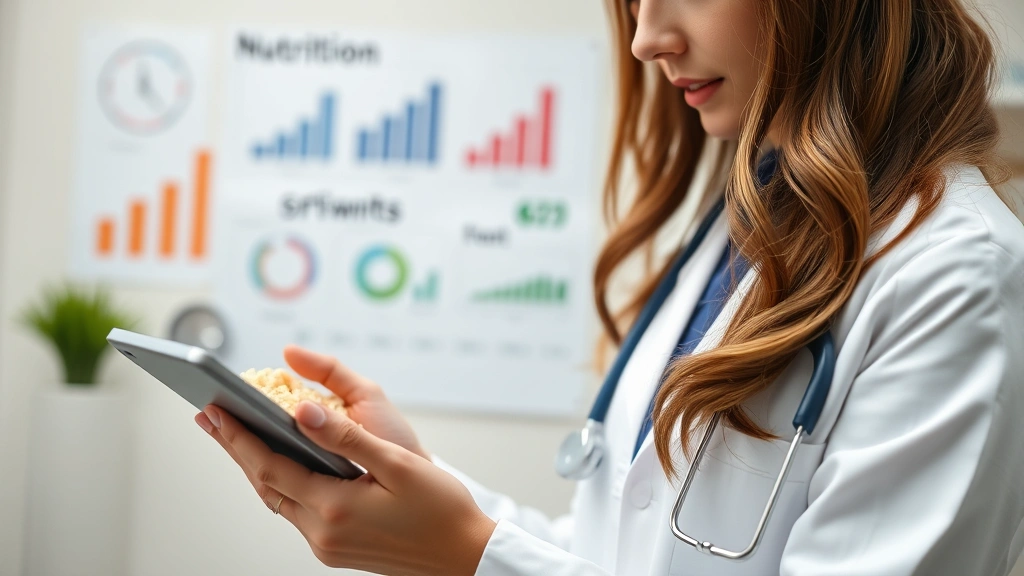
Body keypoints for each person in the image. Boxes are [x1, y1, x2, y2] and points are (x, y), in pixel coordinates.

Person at [194, 0, 1024, 573]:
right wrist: (417, 488)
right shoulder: (744, 226)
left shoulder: (955, 273)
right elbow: (622, 550)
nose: (645, 37)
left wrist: (469, 557)